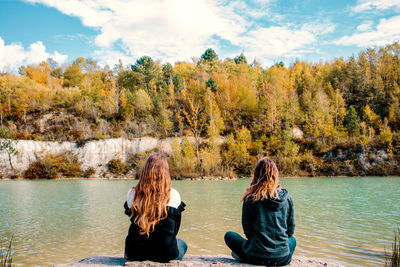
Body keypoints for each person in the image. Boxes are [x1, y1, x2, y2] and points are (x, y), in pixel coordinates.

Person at [224, 157, 296, 266]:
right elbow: (290, 230)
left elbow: (247, 231)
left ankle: (243, 255)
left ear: (256, 175)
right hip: (282, 259)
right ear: (276, 175)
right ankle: (277, 255)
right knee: (292, 240)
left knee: (229, 236)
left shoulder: (250, 198)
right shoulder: (287, 198)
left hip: (256, 257)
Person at [124, 153, 187, 262]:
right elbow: (175, 227)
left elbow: (132, 221)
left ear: (144, 172)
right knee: (182, 243)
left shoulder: (132, 194)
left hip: (135, 253)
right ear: (165, 173)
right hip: (165, 253)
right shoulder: (173, 195)